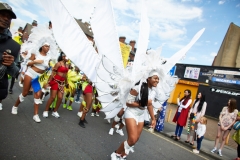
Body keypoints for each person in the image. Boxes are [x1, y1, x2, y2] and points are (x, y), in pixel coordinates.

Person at [111, 71, 159, 159]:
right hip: (131, 113)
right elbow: (128, 103)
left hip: (141, 115)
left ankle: (122, 155)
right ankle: (116, 153)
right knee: (132, 139)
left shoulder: (153, 91)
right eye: (155, 78)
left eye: (158, 79)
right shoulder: (137, 88)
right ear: (148, 78)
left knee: (135, 140)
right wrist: (143, 103)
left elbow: (150, 104)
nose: (157, 80)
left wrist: (153, 118)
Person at [11, 43, 51, 123]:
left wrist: (47, 81)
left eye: (49, 46)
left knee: (38, 95)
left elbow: (49, 69)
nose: (48, 48)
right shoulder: (35, 53)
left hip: (39, 77)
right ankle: (15, 106)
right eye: (46, 46)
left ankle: (35, 115)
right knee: (25, 93)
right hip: (30, 73)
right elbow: (28, 63)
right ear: (42, 46)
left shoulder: (49, 57)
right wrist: (37, 61)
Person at [0, 2, 20, 110]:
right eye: (3, 14)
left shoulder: (13, 45)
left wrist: (11, 64)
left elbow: (16, 71)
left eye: (9, 17)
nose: (6, 19)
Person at [43, 52, 69, 118]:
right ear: (63, 57)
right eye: (66, 56)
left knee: (60, 98)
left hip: (62, 83)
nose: (68, 58)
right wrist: (48, 82)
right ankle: (46, 111)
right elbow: (53, 73)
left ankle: (55, 111)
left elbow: (66, 75)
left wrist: (67, 82)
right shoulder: (58, 63)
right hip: (55, 81)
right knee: (53, 97)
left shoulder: (67, 65)